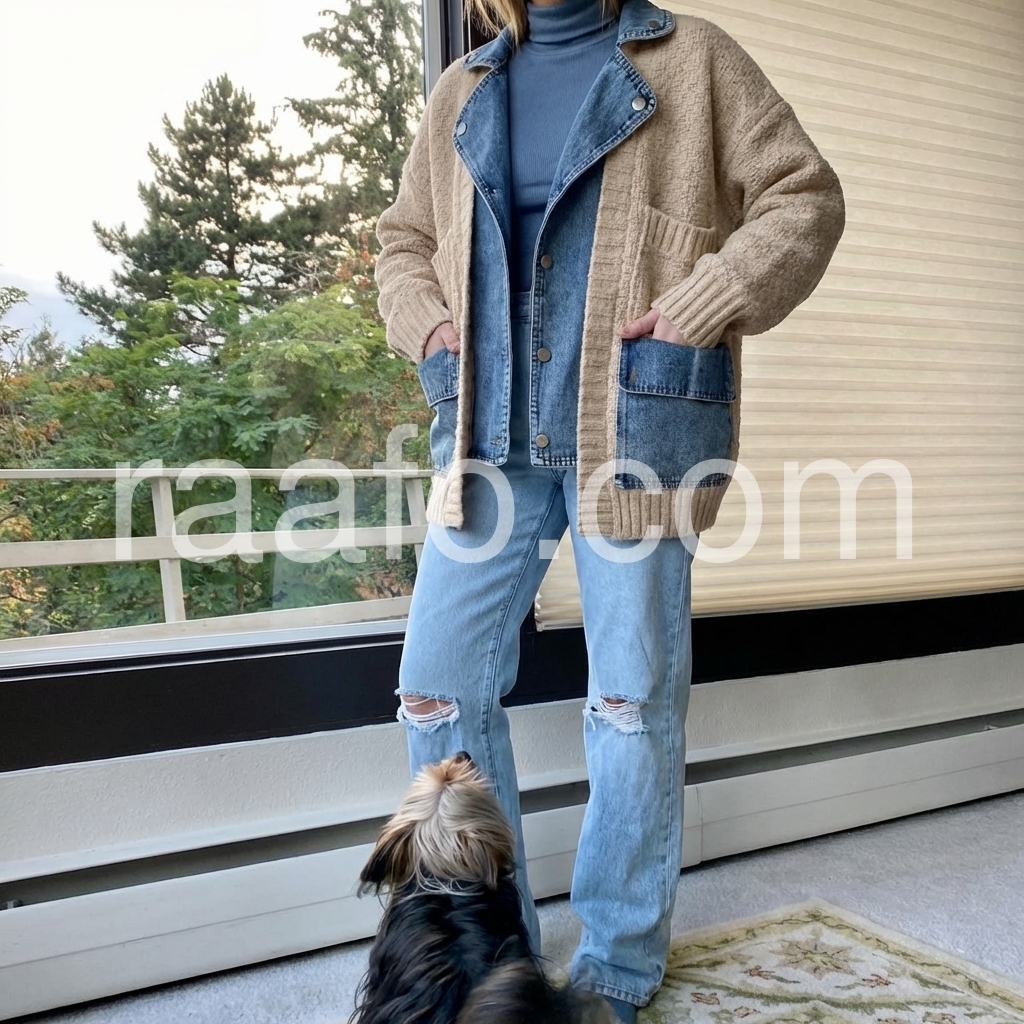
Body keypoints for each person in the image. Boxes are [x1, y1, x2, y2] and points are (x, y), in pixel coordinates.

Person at [374, 0, 845, 1017]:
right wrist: (426, 326)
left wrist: (704, 299)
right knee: (436, 690)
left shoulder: (694, 58)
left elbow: (803, 197)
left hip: (631, 425)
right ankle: (486, 949)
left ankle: (616, 963)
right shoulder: (463, 88)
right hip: (487, 432)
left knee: (629, 704)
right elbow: (403, 239)